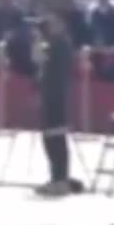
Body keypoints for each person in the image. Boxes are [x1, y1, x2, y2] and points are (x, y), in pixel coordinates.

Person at [34, 12, 83, 197]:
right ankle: (57, 176)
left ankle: (60, 178)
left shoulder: (61, 45)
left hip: (57, 95)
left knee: (56, 138)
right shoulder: (51, 44)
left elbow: (55, 72)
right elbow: (40, 65)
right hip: (50, 94)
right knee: (49, 138)